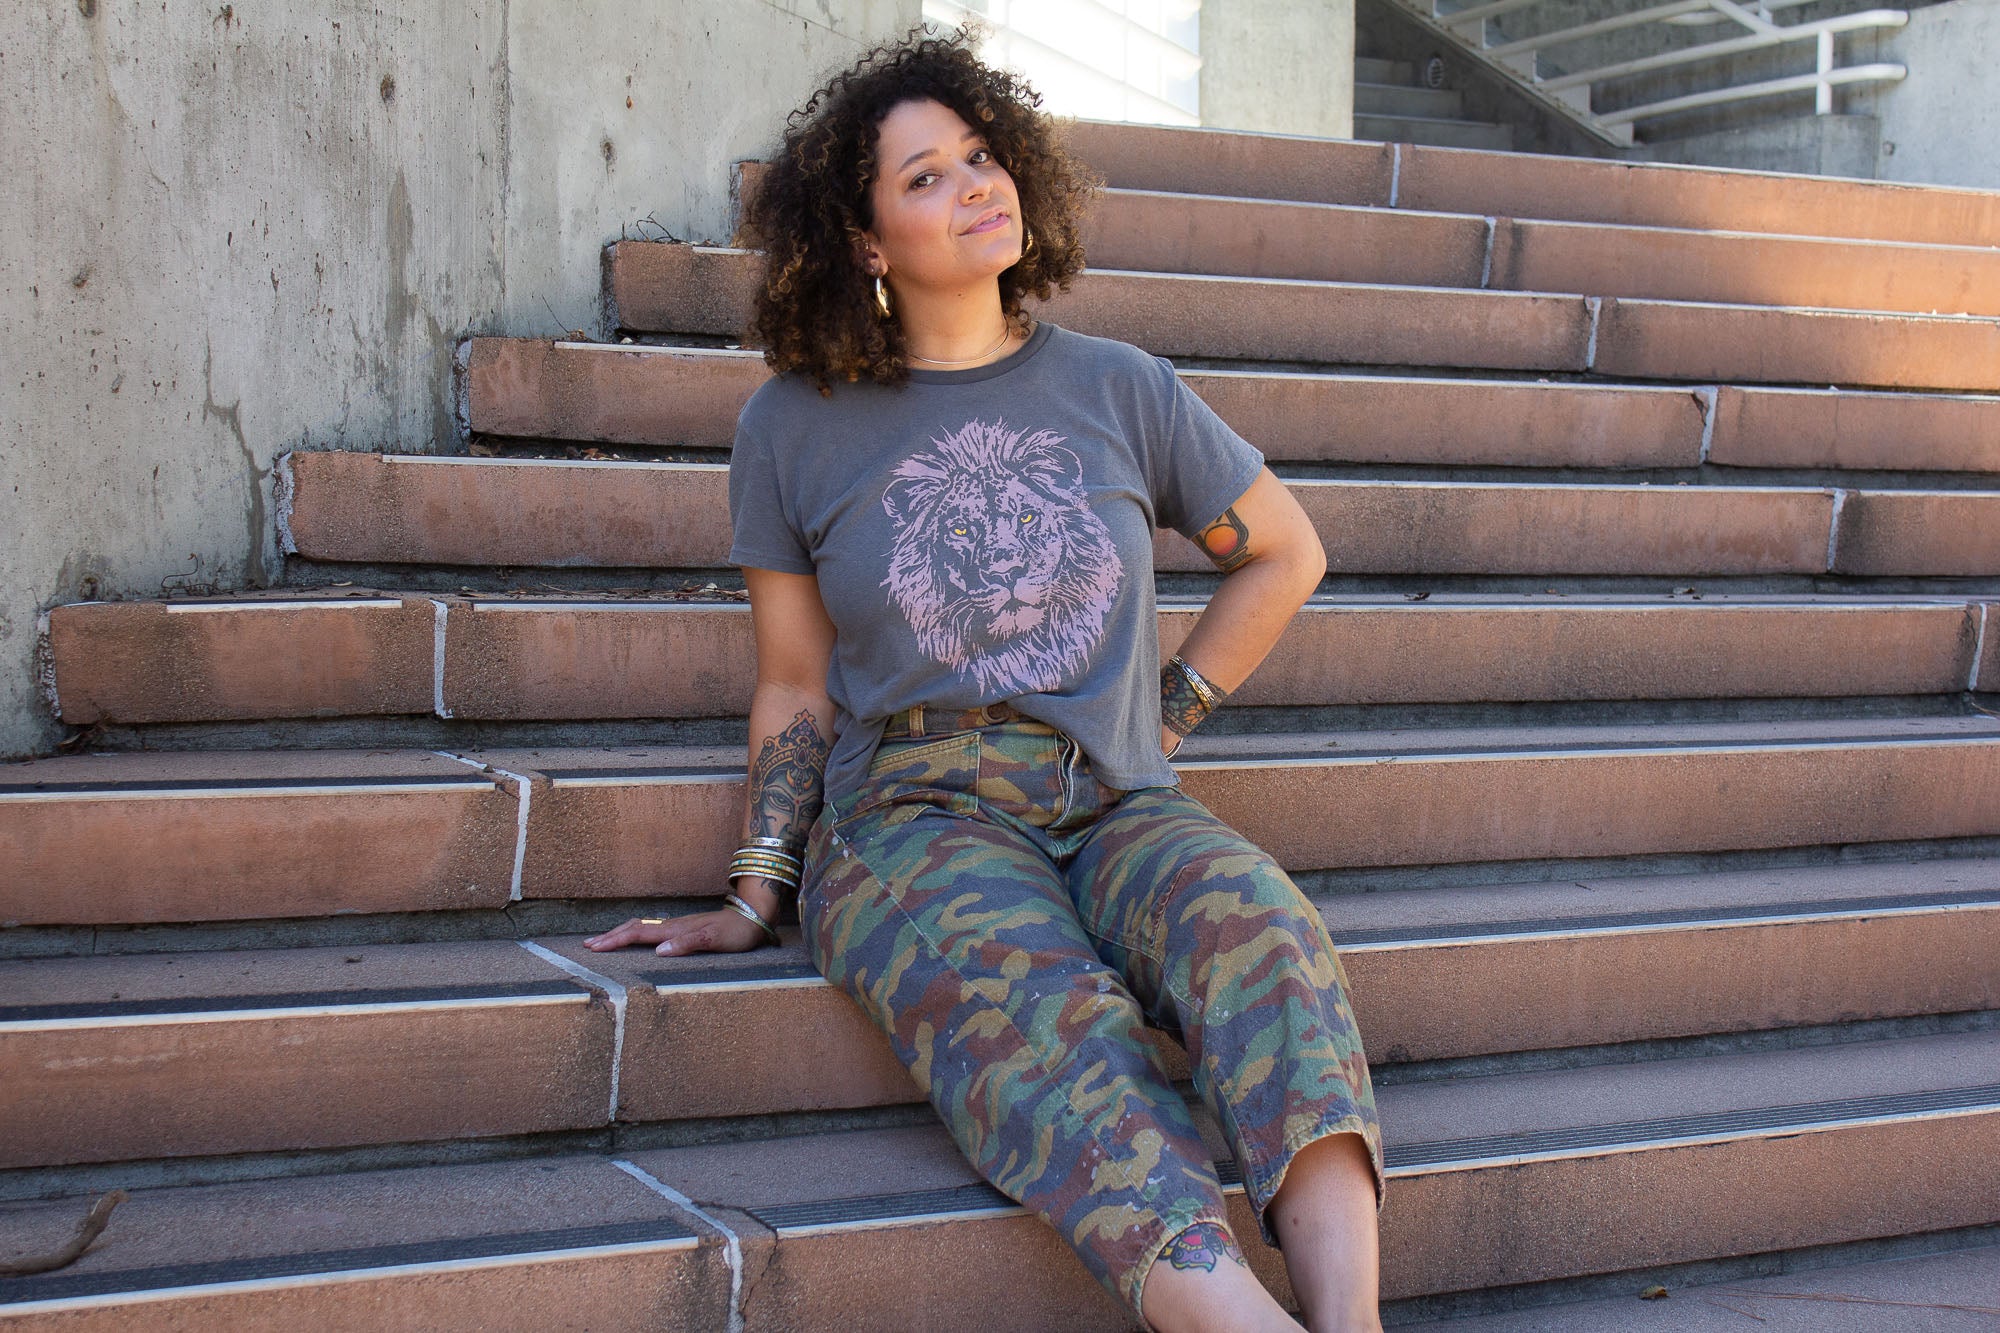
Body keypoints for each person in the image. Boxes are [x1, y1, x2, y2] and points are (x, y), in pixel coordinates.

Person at [586, 27, 1384, 1333]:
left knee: (1268, 934)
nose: (973, 182)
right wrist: (756, 888)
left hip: (1115, 799)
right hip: (914, 813)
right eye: (923, 175)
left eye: (981, 153)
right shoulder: (792, 423)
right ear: (863, 240)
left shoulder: (1120, 388)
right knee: (1055, 1029)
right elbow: (794, 682)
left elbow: (1286, 552)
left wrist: (1167, 716)